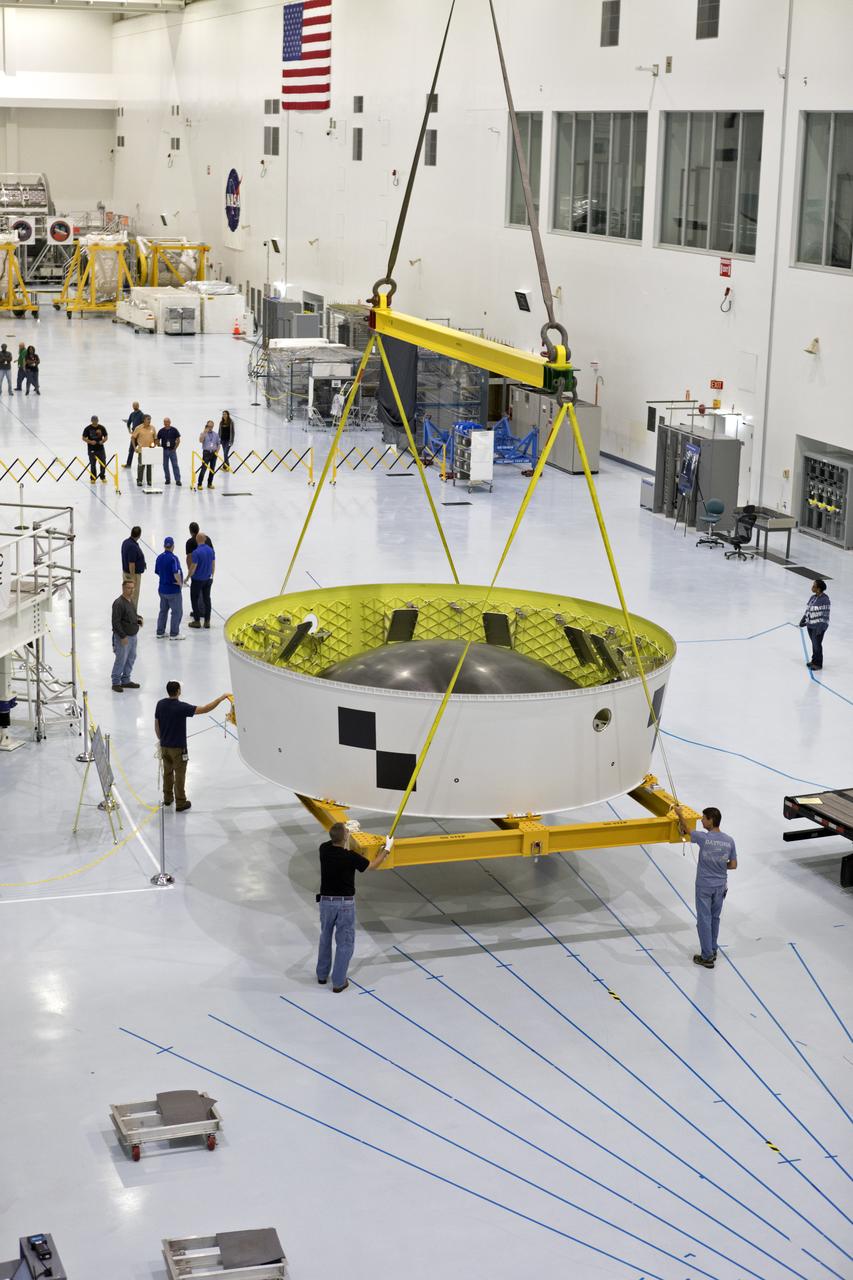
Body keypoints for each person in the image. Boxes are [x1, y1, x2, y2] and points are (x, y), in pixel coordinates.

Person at [316, 823, 392, 992]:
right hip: (344, 905)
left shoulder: (324, 850)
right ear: (345, 837)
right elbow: (372, 865)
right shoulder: (351, 857)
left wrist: (345, 833)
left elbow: (340, 844)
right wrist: (386, 850)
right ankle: (338, 982)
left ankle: (322, 975)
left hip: (326, 903)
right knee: (345, 942)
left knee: (325, 937)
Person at [154, 680, 232, 811]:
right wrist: (221, 698)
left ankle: (168, 798)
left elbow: (156, 724)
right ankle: (181, 802)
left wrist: (161, 739)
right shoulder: (181, 707)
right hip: (178, 749)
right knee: (180, 774)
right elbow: (205, 709)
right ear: (178, 691)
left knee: (167, 772)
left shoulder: (160, 704)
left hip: (164, 746)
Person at [677, 806, 737, 969]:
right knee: (715, 918)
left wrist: (679, 814)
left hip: (704, 886)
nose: (702, 821)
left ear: (711, 820)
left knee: (704, 920)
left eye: (703, 818)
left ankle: (707, 956)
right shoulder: (729, 841)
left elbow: (686, 829)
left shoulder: (703, 838)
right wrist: (719, 864)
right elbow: (733, 865)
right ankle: (713, 948)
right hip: (720, 887)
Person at [111, 578, 142, 692]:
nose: (131, 590)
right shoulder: (119, 603)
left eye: (132, 588)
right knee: (121, 659)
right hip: (124, 637)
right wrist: (122, 636)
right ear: (123, 588)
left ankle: (126, 680)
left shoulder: (130, 601)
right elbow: (116, 622)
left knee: (131, 658)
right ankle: (116, 682)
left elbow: (131, 615)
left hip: (133, 636)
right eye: (128, 588)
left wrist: (138, 619)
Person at [154, 536, 184, 639]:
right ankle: (174, 633)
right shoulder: (173, 559)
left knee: (163, 611)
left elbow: (157, 572)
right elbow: (176, 572)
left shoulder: (159, 557)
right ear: (173, 546)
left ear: (164, 546)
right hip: (173, 590)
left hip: (162, 589)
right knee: (177, 612)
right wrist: (180, 583)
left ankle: (160, 631)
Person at [799, 579, 830, 670]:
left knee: (817, 644)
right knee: (814, 643)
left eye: (814, 586)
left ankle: (818, 663)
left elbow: (825, 615)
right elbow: (808, 610)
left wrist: (820, 628)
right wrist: (803, 619)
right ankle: (814, 661)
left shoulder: (825, 600)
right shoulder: (813, 597)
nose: (812, 587)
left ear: (819, 589)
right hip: (810, 625)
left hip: (818, 627)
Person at [186, 531, 215, 629]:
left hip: (197, 580)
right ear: (205, 539)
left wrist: (187, 577)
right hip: (208, 579)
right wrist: (212, 576)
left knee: (194, 598)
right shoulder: (211, 550)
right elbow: (213, 564)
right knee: (207, 599)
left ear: (197, 540)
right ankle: (207, 621)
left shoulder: (196, 552)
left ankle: (197, 621)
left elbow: (193, 567)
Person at [120, 525, 147, 608]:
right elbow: (131, 564)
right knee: (133, 596)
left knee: (128, 595)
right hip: (132, 574)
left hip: (127, 573)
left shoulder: (126, 542)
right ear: (139, 535)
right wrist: (133, 579)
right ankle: (131, 615)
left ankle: (129, 614)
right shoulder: (132, 547)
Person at [132, 414, 157, 486]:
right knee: (141, 466)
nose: (149, 421)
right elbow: (133, 438)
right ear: (144, 420)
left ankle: (149, 480)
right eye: (148, 419)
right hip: (142, 451)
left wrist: (155, 445)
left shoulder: (153, 428)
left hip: (150, 450)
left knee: (149, 466)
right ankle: (139, 480)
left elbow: (155, 438)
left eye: (150, 419)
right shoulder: (138, 428)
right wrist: (134, 447)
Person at [82, 416, 109, 483]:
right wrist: (90, 442)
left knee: (103, 463)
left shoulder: (102, 427)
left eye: (96, 420)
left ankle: (102, 477)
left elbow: (106, 436)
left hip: (100, 449)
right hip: (91, 449)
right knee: (93, 464)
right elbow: (83, 438)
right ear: (91, 421)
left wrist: (102, 441)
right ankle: (93, 478)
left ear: (98, 420)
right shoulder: (87, 428)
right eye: (93, 420)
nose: (95, 421)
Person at [158, 416, 182, 486]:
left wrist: (175, 448)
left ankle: (178, 480)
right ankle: (167, 479)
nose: (166, 423)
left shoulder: (174, 430)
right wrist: (159, 446)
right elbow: (157, 439)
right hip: (164, 450)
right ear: (163, 423)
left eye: (167, 422)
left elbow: (178, 440)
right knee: (165, 465)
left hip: (172, 451)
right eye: (165, 422)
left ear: (170, 422)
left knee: (175, 465)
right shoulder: (161, 431)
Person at [198, 421, 221, 489]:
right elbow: (200, 441)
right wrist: (204, 432)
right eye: (209, 426)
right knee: (204, 469)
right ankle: (199, 484)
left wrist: (217, 452)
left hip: (214, 453)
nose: (210, 428)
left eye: (211, 426)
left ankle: (210, 483)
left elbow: (218, 444)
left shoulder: (216, 434)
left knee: (212, 469)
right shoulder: (203, 433)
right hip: (206, 453)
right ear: (206, 426)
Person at [124, 401, 145, 468]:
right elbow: (128, 423)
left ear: (138, 406)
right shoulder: (132, 414)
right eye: (134, 405)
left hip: (140, 436)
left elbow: (144, 424)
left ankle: (143, 464)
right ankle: (128, 464)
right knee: (131, 450)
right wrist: (129, 431)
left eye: (136, 405)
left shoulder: (142, 414)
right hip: (134, 435)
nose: (135, 407)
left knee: (142, 450)